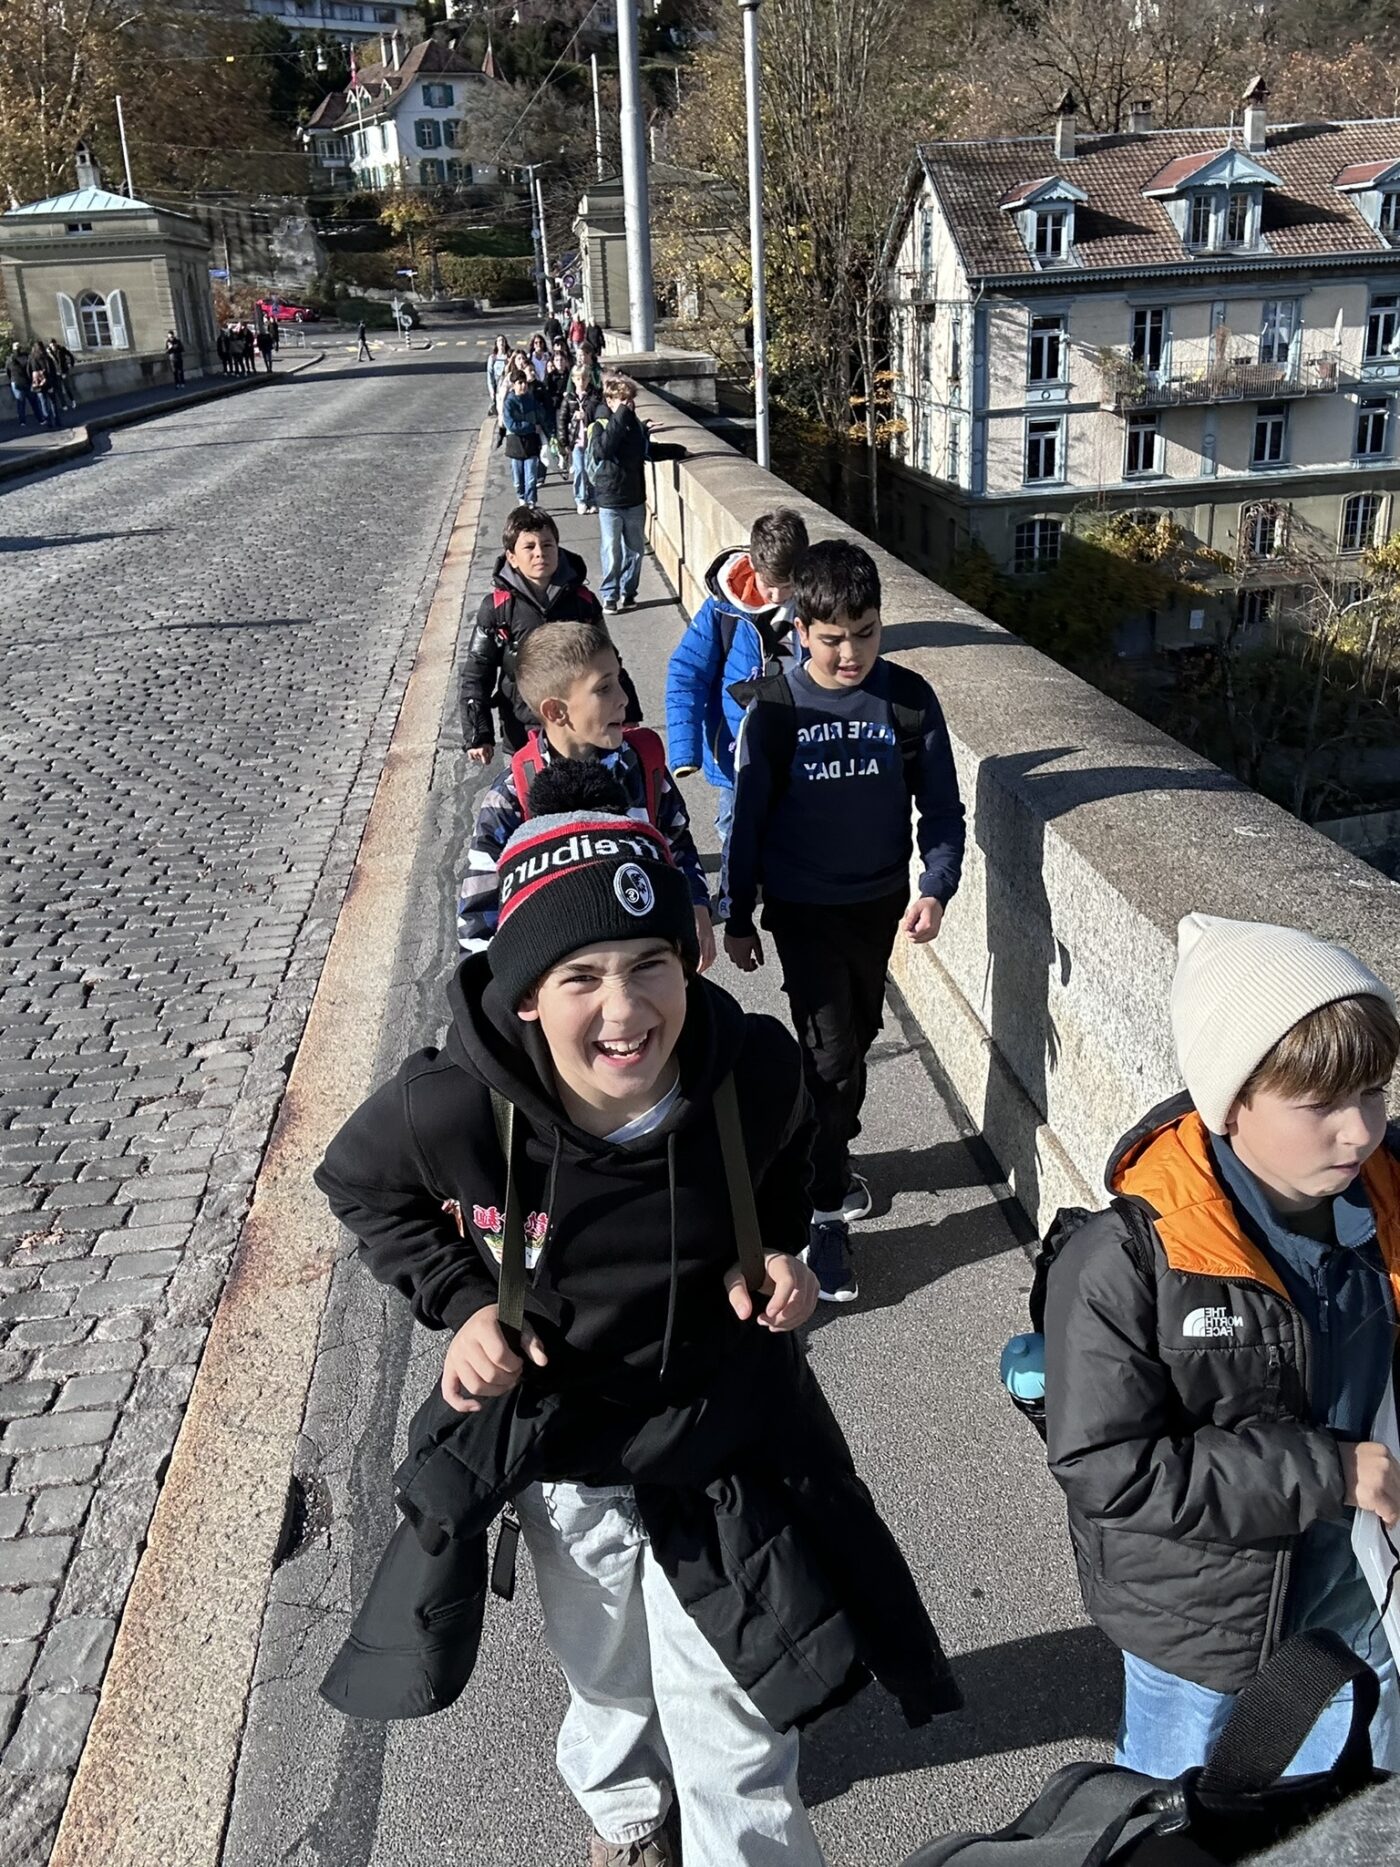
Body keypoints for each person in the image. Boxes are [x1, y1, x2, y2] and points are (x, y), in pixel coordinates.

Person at [314, 761, 960, 1867]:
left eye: (650, 964)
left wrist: (778, 1253)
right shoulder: (454, 1103)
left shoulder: (751, 1070)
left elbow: (793, 1167)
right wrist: (464, 1303)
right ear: (525, 992)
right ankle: (624, 1809)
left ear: (689, 959)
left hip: (721, 1447)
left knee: (738, 1735)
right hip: (569, 1462)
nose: (625, 1011)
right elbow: (360, 1186)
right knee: (607, 1673)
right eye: (582, 976)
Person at [1044, 915, 1400, 1779]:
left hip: (1360, 1596)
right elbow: (1109, 1467)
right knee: (1184, 1809)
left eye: (1374, 1092)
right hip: (1204, 1628)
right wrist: (1330, 1470)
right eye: (1321, 1105)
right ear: (1230, 1104)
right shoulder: (1125, 1260)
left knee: (1343, 1811)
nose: (1359, 1132)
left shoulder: (1389, 1195)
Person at [721, 540, 965, 1304]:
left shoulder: (908, 700)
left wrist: (936, 886)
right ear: (799, 629)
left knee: (852, 1045)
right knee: (831, 1061)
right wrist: (738, 912)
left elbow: (943, 810)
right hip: (802, 908)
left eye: (866, 632)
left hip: (878, 905)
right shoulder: (776, 711)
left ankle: (819, 1149)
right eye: (832, 638)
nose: (851, 652)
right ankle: (823, 1212)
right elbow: (747, 822)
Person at [457, 621, 714, 970]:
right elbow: (480, 908)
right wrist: (487, 990)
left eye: (619, 680)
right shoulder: (514, 795)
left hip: (648, 964)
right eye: (604, 688)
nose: (623, 698)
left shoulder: (643, 766)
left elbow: (677, 841)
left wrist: (696, 903)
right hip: (566, 979)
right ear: (556, 711)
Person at [665, 509, 809, 843]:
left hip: (796, 741)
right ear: (753, 566)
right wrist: (685, 750)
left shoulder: (814, 602)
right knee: (734, 826)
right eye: (769, 586)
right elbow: (687, 672)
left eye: (788, 586)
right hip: (738, 747)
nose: (778, 597)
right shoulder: (723, 609)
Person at [458, 504, 640, 762]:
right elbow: (477, 673)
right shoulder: (497, 608)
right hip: (522, 730)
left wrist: (628, 713)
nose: (539, 553)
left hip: (579, 726)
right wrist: (478, 734)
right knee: (527, 786)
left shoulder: (582, 601)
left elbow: (610, 660)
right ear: (512, 557)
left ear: (558, 548)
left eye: (547, 545)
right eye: (529, 547)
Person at [589, 373, 650, 613]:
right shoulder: (600, 425)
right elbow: (603, 450)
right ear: (610, 400)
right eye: (623, 400)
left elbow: (645, 453)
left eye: (630, 400)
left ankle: (629, 591)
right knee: (611, 550)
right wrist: (621, 414)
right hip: (610, 498)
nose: (628, 404)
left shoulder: (635, 425)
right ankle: (610, 595)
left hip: (634, 497)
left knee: (635, 552)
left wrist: (678, 450)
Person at [558, 357, 603, 515]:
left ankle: (593, 499)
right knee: (580, 470)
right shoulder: (569, 398)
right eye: (578, 379)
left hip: (591, 440)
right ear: (573, 380)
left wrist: (585, 415)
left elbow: (598, 412)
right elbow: (562, 420)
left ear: (589, 379)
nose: (581, 382)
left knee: (592, 470)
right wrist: (563, 441)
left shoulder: (594, 396)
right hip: (576, 440)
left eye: (584, 378)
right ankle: (580, 499)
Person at [502, 368, 549, 505]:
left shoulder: (531, 399)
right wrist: (530, 426)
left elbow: (540, 415)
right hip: (515, 443)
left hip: (531, 442)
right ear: (513, 385)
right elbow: (512, 425)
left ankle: (531, 500)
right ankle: (521, 496)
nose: (523, 386)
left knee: (531, 476)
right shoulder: (509, 402)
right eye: (520, 383)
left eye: (525, 383)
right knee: (518, 477)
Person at [28, 342, 60, 428]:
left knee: (43, 403)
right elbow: (52, 371)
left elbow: (28, 371)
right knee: (53, 402)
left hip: (39, 385)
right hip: (49, 383)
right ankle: (57, 420)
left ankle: (48, 421)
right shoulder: (47, 358)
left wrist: (33, 381)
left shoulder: (32, 359)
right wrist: (53, 383)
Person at [486, 332, 511, 416]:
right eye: (499, 340)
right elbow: (490, 375)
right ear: (496, 344)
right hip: (498, 387)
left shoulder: (509, 357)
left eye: (503, 340)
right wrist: (491, 391)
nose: (501, 342)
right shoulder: (493, 358)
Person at [49, 338, 77, 410]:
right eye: (52, 346)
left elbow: (70, 355)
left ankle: (72, 401)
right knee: (59, 389)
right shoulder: (48, 352)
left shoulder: (61, 349)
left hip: (64, 371)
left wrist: (71, 364)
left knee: (67, 387)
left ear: (56, 344)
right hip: (56, 373)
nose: (53, 347)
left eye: (54, 345)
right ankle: (63, 404)